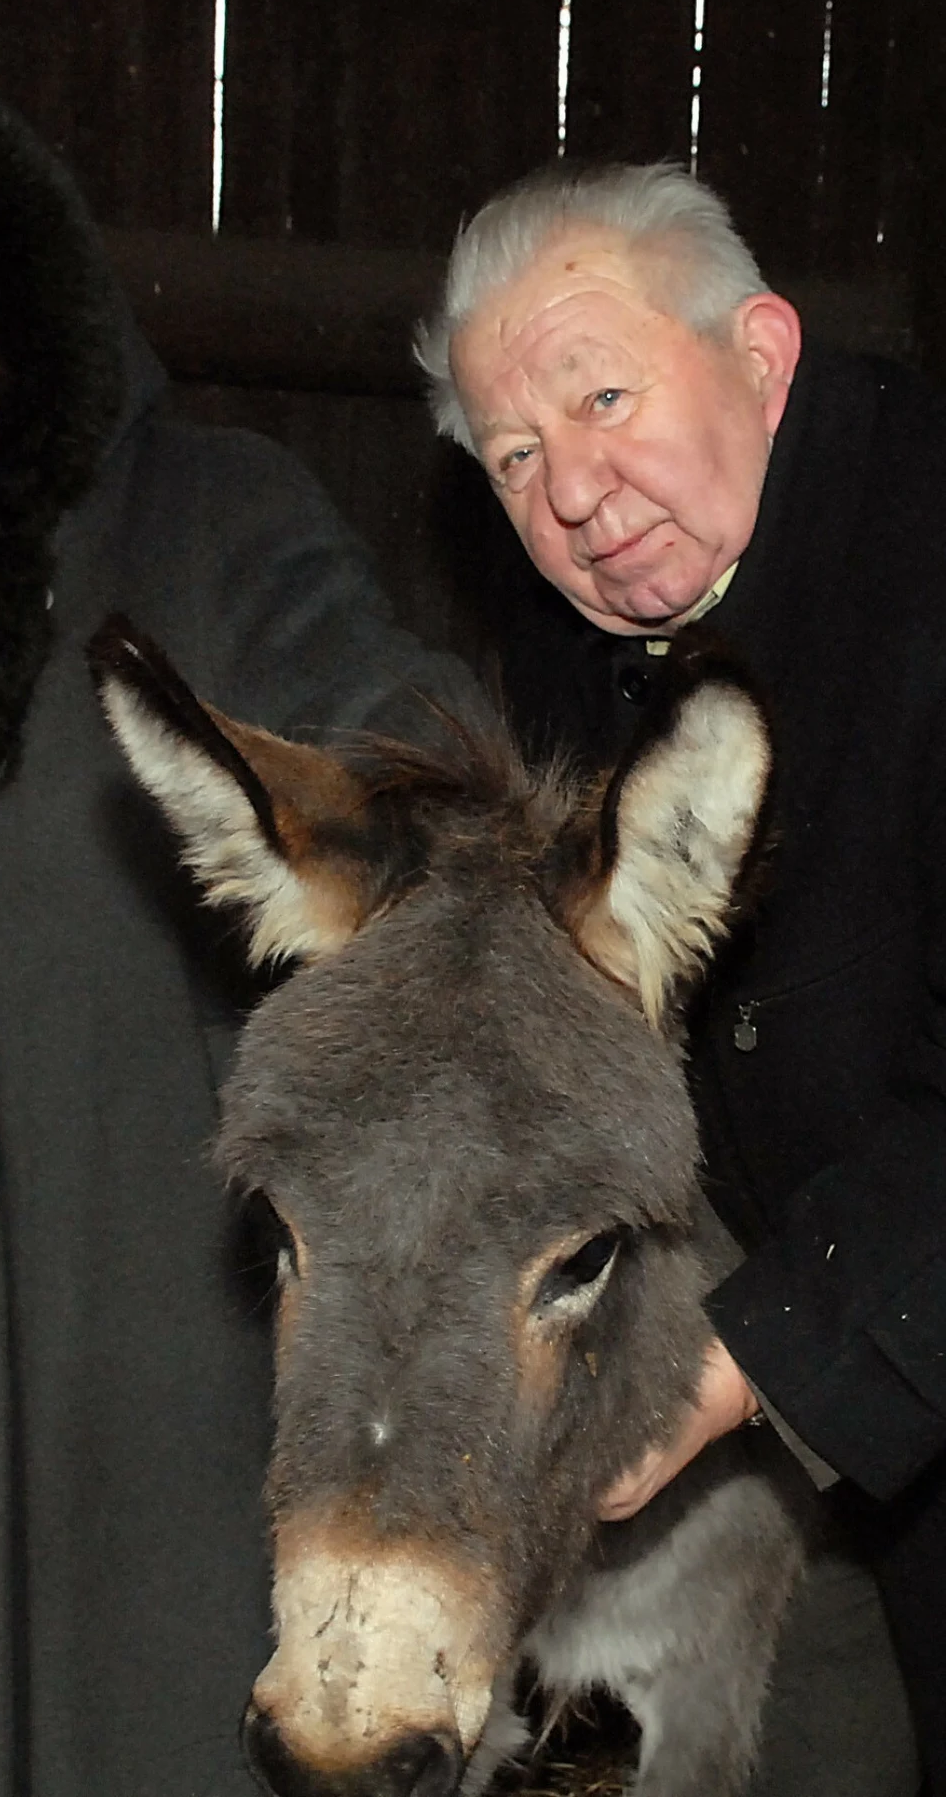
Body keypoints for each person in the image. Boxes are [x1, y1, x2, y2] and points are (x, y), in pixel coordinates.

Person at [0, 61, 474, 1797]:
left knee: (178, 1701)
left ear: (31, 284)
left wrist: (433, 783)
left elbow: (380, 724)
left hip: (174, 1279)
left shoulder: (217, 510)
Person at [416, 161, 945, 1795]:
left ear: (763, 354)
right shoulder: (584, 651)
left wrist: (731, 1369)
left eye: (603, 396)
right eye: (515, 455)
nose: (572, 491)